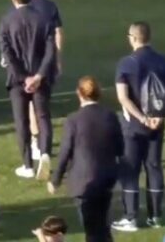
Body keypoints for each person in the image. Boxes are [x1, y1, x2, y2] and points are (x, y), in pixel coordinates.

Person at [47, 77, 122, 242]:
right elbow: (120, 148)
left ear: (79, 94)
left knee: (92, 229)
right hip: (106, 179)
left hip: (83, 182)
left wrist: (55, 180)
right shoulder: (110, 115)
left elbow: (65, 151)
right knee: (103, 226)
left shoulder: (73, 119)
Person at [0, 0, 56, 180]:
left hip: (17, 80)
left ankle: (28, 165)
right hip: (40, 77)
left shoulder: (7, 20)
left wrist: (24, 77)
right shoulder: (44, 19)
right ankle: (45, 153)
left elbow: (7, 53)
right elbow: (51, 51)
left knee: (22, 121)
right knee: (43, 117)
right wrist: (39, 76)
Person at [112, 21, 165, 231]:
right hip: (157, 126)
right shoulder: (162, 60)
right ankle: (156, 217)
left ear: (133, 38)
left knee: (131, 170)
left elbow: (123, 98)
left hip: (134, 127)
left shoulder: (126, 63)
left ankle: (131, 217)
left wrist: (142, 118)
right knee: (154, 167)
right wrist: (160, 117)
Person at [21, 0, 64, 161]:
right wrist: (58, 59)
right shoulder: (50, 5)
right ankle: (42, 142)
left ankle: (36, 141)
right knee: (43, 105)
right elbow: (58, 33)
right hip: (47, 60)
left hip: (29, 60)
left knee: (32, 102)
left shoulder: (23, 4)